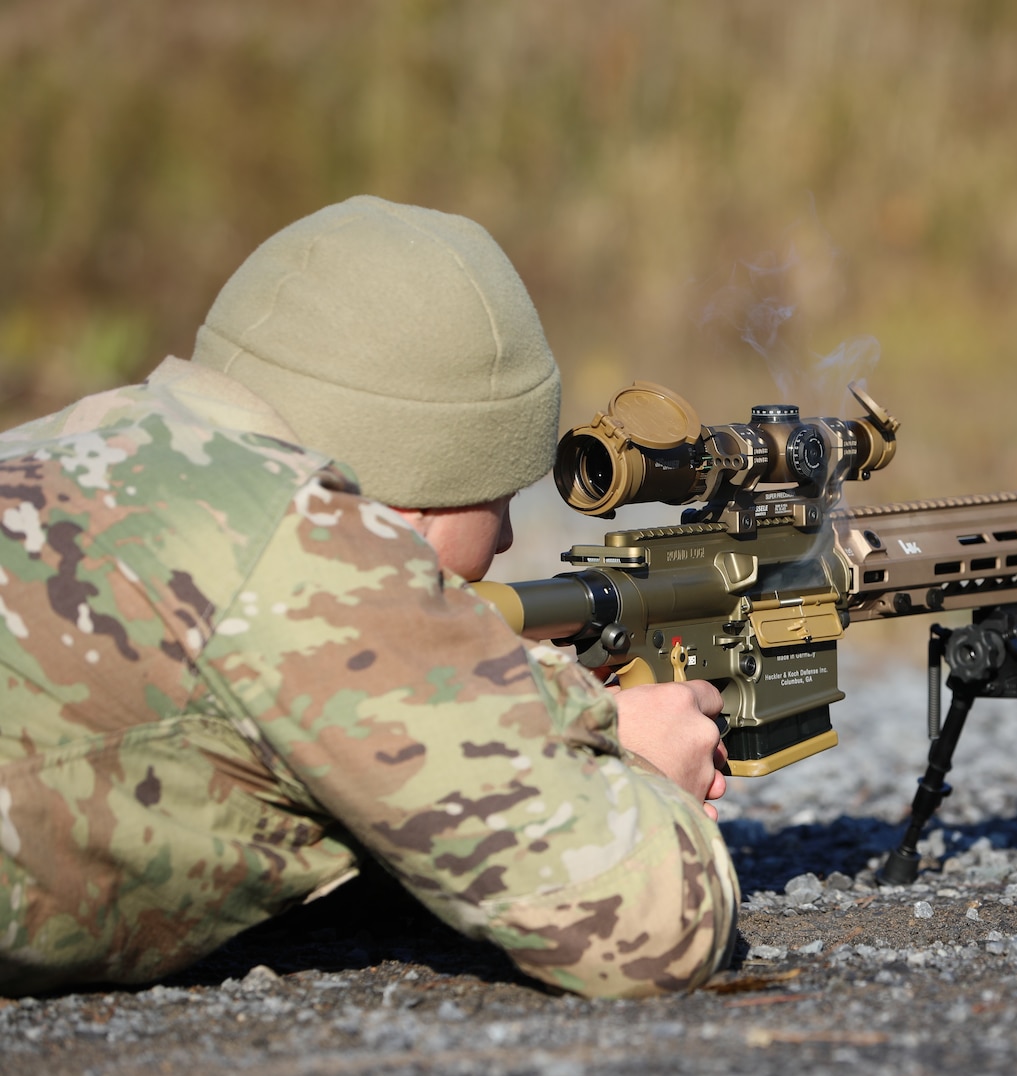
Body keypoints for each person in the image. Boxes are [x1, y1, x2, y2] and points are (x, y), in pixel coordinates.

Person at [0, 196, 737, 998]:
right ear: (422, 492)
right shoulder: (311, 552)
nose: (500, 541)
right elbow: (652, 928)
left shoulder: (80, 436)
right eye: (497, 493)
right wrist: (631, 765)